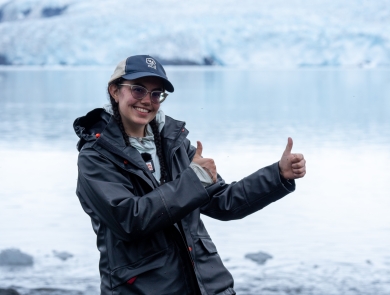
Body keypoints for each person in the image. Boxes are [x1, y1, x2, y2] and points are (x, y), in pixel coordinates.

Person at [73, 55, 306, 295]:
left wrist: (278, 175)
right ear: (115, 91)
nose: (147, 100)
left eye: (156, 94)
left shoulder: (174, 145)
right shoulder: (96, 157)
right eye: (138, 89)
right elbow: (130, 220)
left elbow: (224, 203)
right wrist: (193, 182)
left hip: (209, 287)